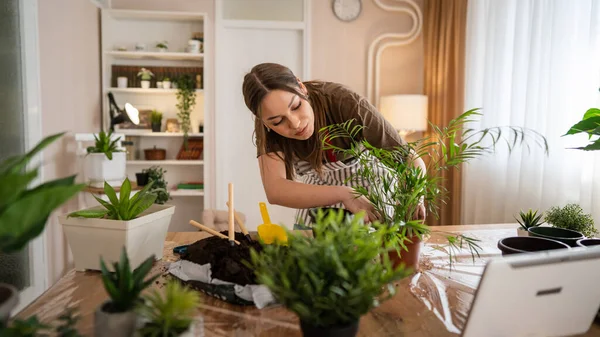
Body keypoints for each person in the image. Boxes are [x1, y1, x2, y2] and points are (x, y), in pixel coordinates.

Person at [242, 62, 426, 226]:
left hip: (372, 192)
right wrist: (344, 194)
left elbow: (410, 159)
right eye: (277, 122)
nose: (295, 123)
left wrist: (415, 195)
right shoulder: (266, 130)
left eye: (296, 106)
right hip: (320, 197)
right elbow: (276, 190)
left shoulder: (345, 102)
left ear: (301, 87)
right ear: (263, 121)